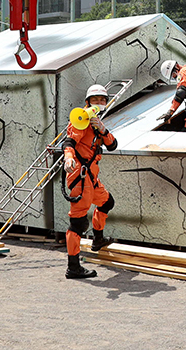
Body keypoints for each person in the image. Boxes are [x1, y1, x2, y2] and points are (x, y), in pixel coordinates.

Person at [61, 84, 118, 279]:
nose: (100, 103)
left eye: (103, 100)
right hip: (80, 176)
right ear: (88, 102)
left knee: (107, 202)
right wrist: (68, 158)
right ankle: (73, 267)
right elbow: (69, 142)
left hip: (91, 178)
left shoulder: (96, 123)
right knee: (77, 223)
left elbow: (112, 145)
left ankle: (98, 240)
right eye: (95, 100)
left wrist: (103, 130)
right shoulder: (81, 120)